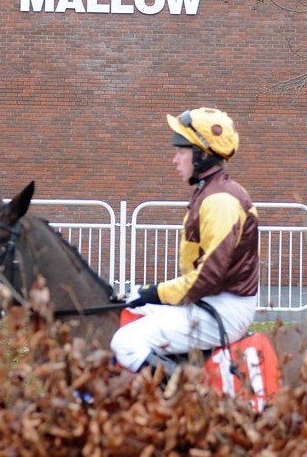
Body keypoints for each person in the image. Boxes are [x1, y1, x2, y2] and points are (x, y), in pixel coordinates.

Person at [111, 107, 259, 373]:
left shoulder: (220, 200)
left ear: (202, 155)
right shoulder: (210, 192)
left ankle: (186, 397)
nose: (174, 160)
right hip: (211, 299)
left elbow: (208, 278)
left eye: (181, 152)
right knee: (130, 311)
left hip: (225, 307)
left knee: (126, 342)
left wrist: (155, 292)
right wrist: (149, 294)